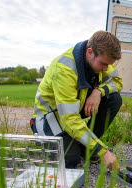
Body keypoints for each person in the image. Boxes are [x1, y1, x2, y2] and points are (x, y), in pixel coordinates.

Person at [30, 30, 122, 171]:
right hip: (49, 118)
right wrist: (103, 151)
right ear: (90, 52)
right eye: (103, 64)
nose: (106, 69)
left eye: (108, 65)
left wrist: (98, 92)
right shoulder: (64, 69)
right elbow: (70, 119)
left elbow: (117, 82)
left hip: (72, 110)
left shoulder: (100, 58)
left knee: (114, 99)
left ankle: (86, 148)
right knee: (70, 159)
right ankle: (45, 142)